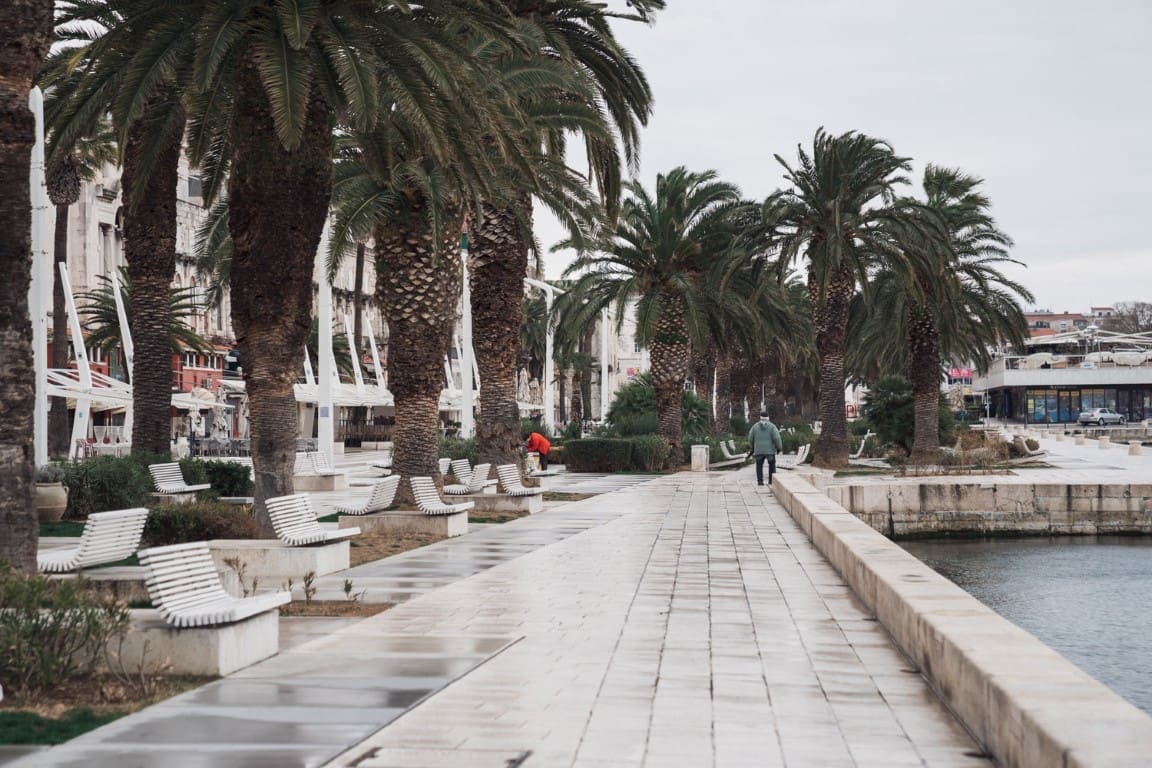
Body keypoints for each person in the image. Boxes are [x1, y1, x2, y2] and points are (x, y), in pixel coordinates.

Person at [747, 410, 783, 488]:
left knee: (759, 465)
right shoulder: (772, 427)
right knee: (772, 465)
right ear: (768, 418)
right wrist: (779, 448)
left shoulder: (754, 427)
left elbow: (750, 438)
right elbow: (777, 438)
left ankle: (760, 482)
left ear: (760, 418)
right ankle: (771, 481)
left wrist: (753, 447)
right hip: (770, 451)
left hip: (758, 450)